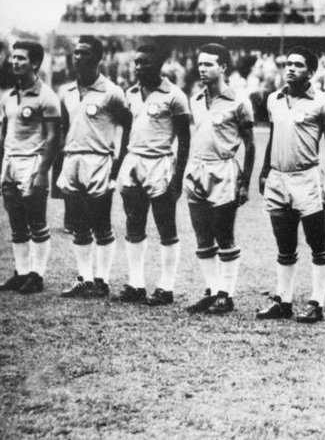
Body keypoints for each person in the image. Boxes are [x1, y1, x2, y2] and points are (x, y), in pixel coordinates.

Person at [257, 46, 325, 323]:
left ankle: (317, 302)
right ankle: (284, 300)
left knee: (317, 242)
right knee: (284, 243)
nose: (291, 68)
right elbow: (272, 136)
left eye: (298, 65)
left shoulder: (322, 103)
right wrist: (265, 170)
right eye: (288, 64)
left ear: (312, 72)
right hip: (278, 178)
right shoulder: (274, 99)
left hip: (307, 178)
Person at [113, 43, 191, 306]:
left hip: (160, 162)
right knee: (134, 223)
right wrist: (120, 163)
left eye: (145, 62)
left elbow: (184, 139)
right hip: (133, 160)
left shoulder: (175, 95)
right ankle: (136, 284)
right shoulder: (130, 93)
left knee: (165, 226)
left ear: (159, 64)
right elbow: (127, 131)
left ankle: (166, 287)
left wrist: (178, 178)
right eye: (136, 62)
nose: (138, 67)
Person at [57, 36, 132, 299]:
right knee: (78, 224)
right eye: (76, 53)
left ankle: (102, 280)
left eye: (84, 54)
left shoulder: (111, 92)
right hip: (72, 160)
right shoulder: (65, 92)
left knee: (101, 223)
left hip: (99, 160)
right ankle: (85, 279)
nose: (78, 57)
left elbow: (128, 124)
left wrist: (119, 161)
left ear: (98, 58)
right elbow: (64, 128)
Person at [183, 44, 256, 315]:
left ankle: (227, 294)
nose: (202, 69)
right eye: (200, 64)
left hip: (224, 171)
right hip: (197, 170)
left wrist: (245, 182)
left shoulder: (239, 101)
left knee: (224, 235)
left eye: (209, 64)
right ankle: (212, 291)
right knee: (202, 236)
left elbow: (250, 145)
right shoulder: (196, 99)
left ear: (223, 67)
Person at [0, 41, 60, 294]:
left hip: (33, 162)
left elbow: (54, 137)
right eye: (13, 58)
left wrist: (43, 172)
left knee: (36, 220)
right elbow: (4, 133)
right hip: (11, 161)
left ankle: (38, 274)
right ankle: (21, 271)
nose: (15, 62)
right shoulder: (8, 96)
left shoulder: (47, 96)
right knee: (15, 220)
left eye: (21, 58)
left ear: (34, 63)